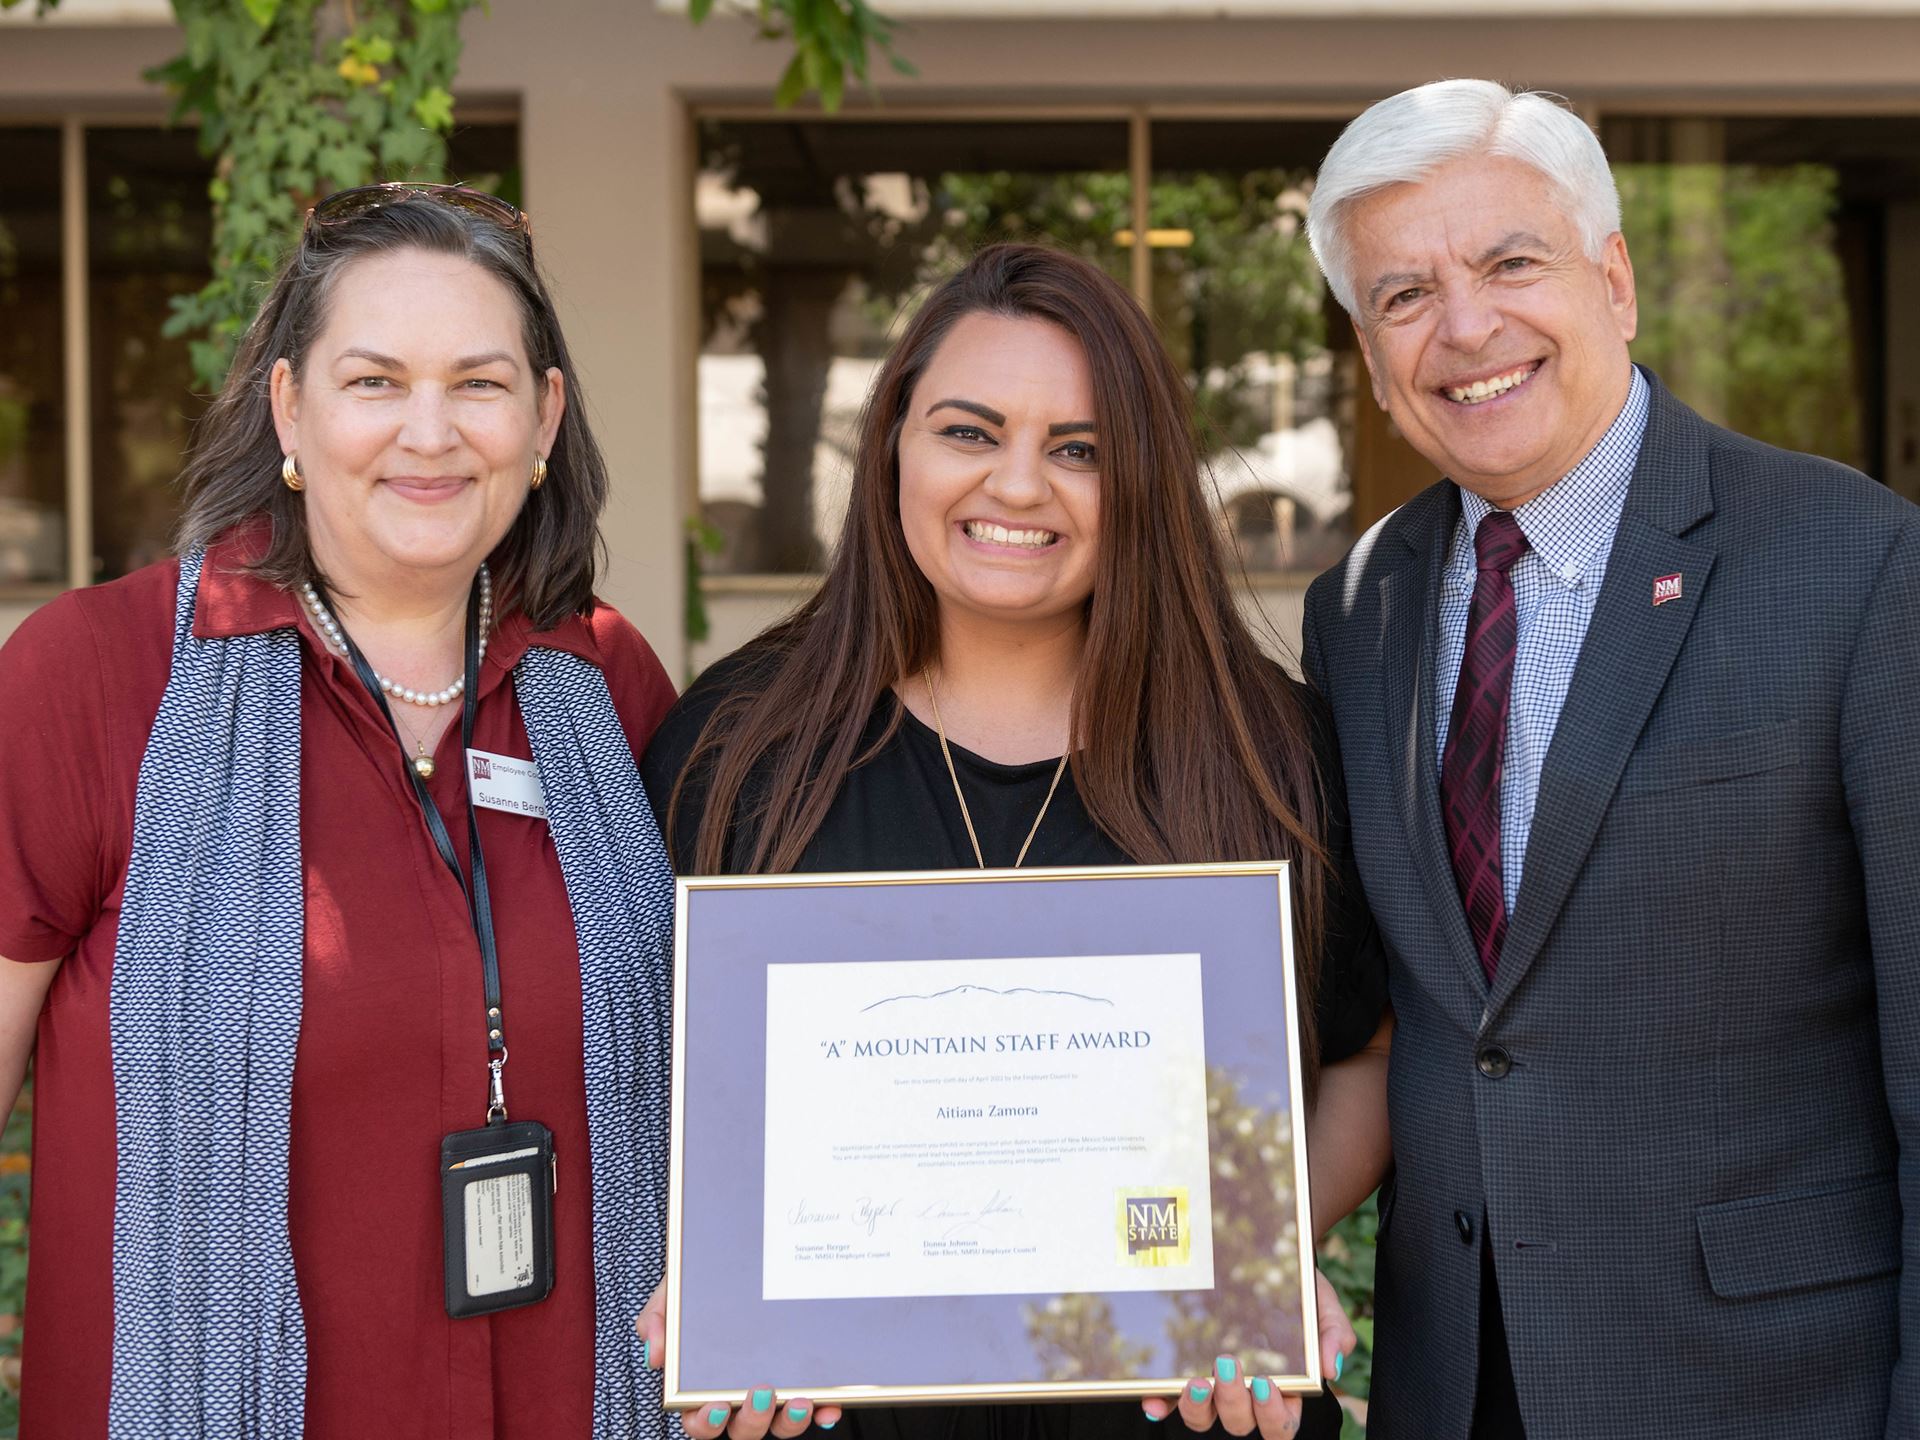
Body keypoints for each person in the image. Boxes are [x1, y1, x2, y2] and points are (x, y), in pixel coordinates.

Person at [637, 243, 1391, 1440]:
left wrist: (1258, 1248)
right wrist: (720, 1288)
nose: (1019, 485)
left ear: (1141, 480)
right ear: (892, 445)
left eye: (1079, 449)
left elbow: (1367, 1054)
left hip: (1180, 1409)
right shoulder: (738, 749)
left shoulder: (1263, 752)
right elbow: (673, 1098)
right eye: (969, 432)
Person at [0, 184, 680, 1440]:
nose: (431, 433)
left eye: (479, 385)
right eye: (375, 381)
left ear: (544, 420)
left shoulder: (609, 685)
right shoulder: (93, 679)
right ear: (289, 408)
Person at [1299, 80, 1920, 1439]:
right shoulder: (1360, 607)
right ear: (1368, 345)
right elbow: (1389, 1014)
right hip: (1454, 1388)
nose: (1466, 326)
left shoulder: (1855, 565)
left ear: (1616, 279)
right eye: (1403, 295)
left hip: (1769, 1391)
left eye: (1509, 262)